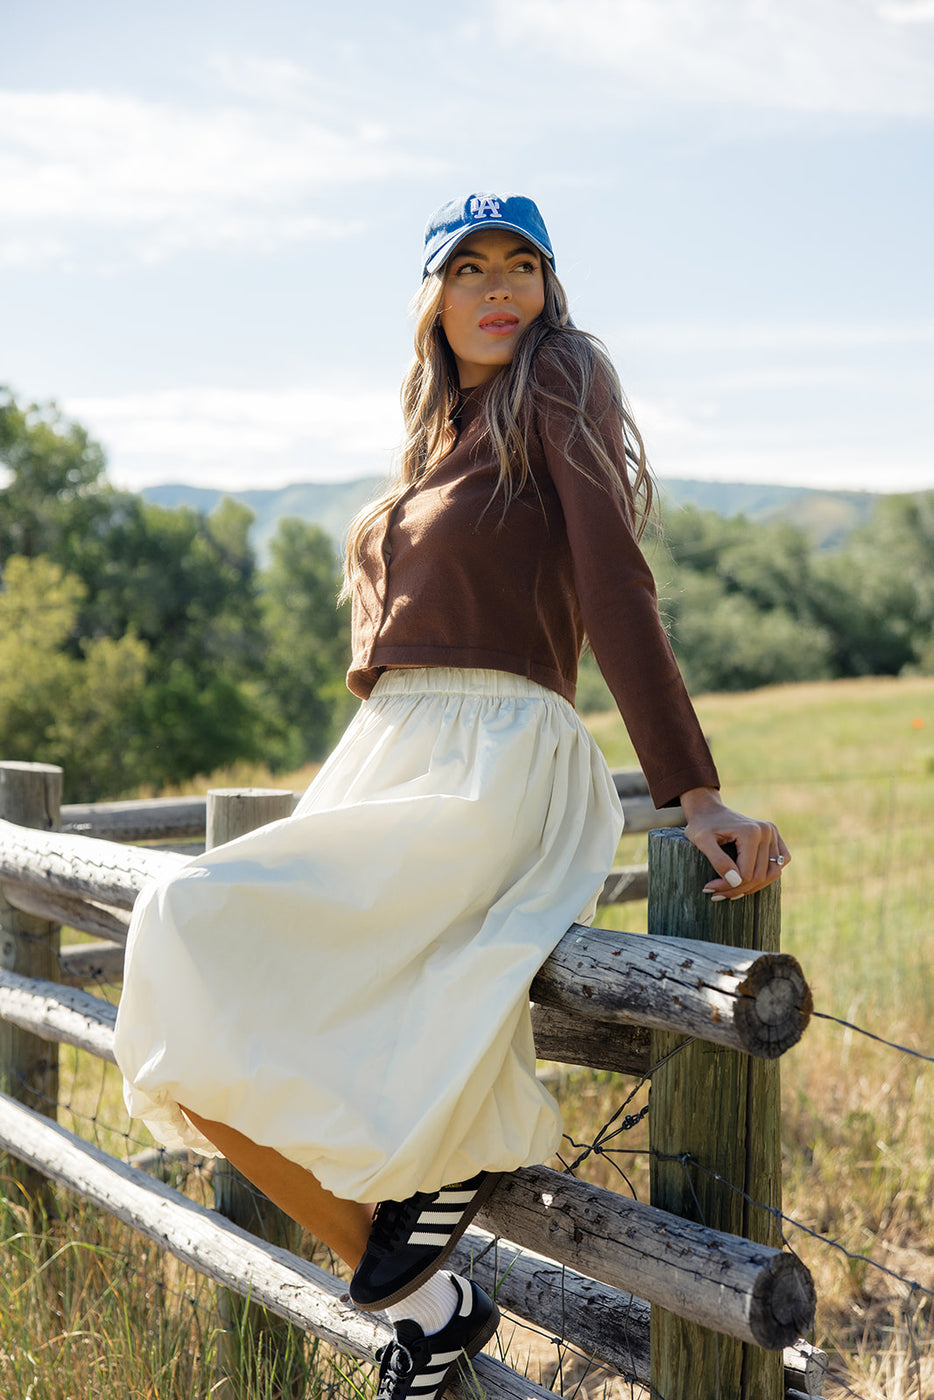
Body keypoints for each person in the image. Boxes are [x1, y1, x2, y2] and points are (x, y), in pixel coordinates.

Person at [113, 192, 790, 1400]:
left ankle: (418, 1263)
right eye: (468, 267)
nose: (498, 288)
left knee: (185, 923)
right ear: (431, 297)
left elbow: (615, 584)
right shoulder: (433, 440)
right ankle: (429, 1304)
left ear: (548, 287)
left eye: (522, 264)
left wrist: (692, 791)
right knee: (198, 992)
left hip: (494, 757)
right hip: (392, 750)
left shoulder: (563, 379)